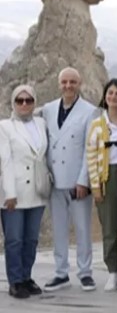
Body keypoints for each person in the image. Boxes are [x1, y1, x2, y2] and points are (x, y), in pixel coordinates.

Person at [42, 67, 98, 292]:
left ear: (79, 83)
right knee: (59, 229)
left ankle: (85, 272)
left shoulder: (90, 111)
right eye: (64, 82)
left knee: (82, 229)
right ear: (59, 84)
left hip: (77, 181)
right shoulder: (48, 109)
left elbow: (90, 148)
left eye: (72, 82)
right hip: (55, 179)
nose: (68, 86)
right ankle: (60, 272)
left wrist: (83, 180)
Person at [0, 85, 48, 299]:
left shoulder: (41, 123)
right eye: (20, 100)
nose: (24, 104)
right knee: (14, 240)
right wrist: (9, 193)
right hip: (15, 191)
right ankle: (15, 281)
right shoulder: (5, 127)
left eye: (29, 100)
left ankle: (27, 277)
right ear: (13, 103)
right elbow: (6, 161)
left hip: (37, 190)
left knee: (31, 239)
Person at [86, 78, 117, 291]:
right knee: (109, 228)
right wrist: (95, 186)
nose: (113, 97)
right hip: (106, 178)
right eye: (110, 93)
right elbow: (91, 157)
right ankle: (112, 272)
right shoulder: (97, 125)